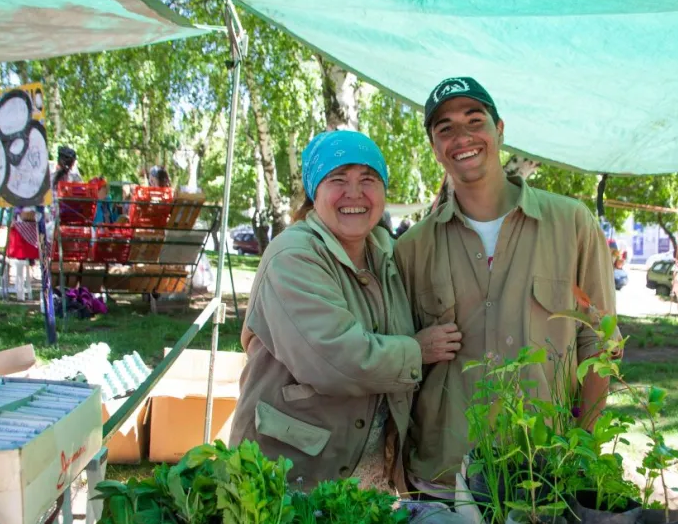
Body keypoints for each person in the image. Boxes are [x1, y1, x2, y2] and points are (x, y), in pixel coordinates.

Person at [395, 77, 618, 498]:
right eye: (445, 128)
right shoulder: (412, 248)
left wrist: (582, 453)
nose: (462, 137)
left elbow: (599, 344)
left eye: (474, 121)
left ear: (499, 130)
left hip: (545, 476)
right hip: (443, 479)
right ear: (434, 147)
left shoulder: (571, 223)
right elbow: (398, 360)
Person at [232, 130, 461, 491]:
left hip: (363, 474)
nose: (354, 193)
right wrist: (418, 351)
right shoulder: (293, 256)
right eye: (338, 179)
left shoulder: (386, 254)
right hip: (290, 475)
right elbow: (335, 360)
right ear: (315, 193)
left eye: (368, 179)